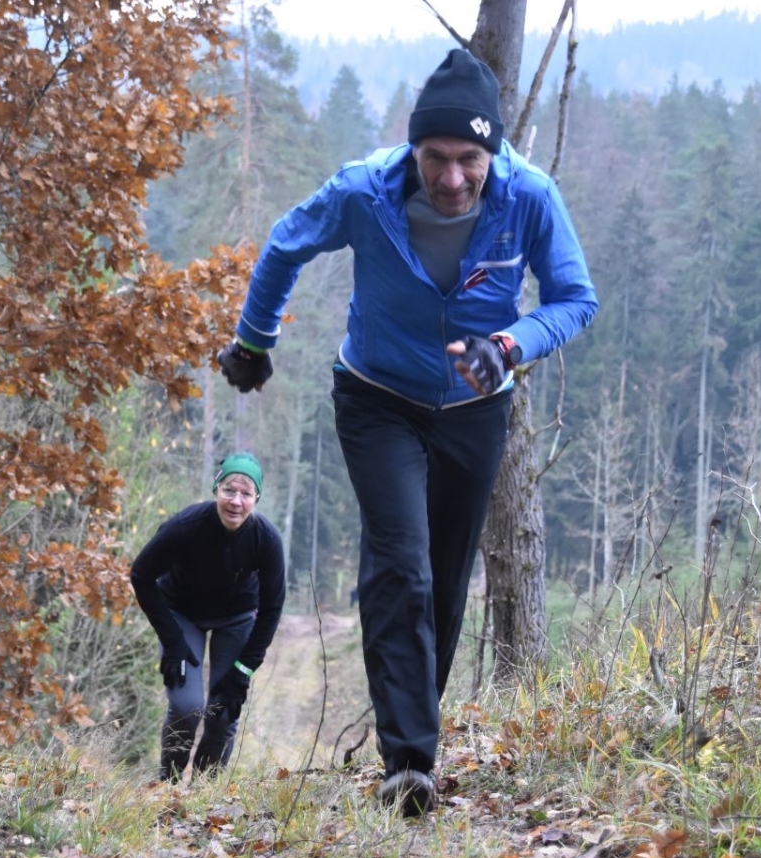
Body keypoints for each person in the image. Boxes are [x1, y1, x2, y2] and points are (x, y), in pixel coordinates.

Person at [216, 49, 597, 815]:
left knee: (448, 583)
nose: (451, 179)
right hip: (377, 397)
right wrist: (255, 342)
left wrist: (510, 346)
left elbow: (574, 299)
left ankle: (411, 739)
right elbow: (287, 242)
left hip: (475, 409)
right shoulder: (365, 189)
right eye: (435, 158)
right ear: (413, 148)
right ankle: (409, 763)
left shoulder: (530, 197)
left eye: (468, 160)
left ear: (493, 154)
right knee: (402, 564)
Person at [129, 453, 286, 782]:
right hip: (182, 616)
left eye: (246, 494)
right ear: (216, 489)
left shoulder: (266, 540)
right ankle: (168, 786)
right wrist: (172, 641)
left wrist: (243, 670)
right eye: (229, 490)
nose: (236, 502)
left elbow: (272, 608)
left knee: (223, 711)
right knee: (187, 706)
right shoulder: (186, 526)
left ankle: (203, 793)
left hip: (237, 619)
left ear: (257, 498)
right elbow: (141, 575)